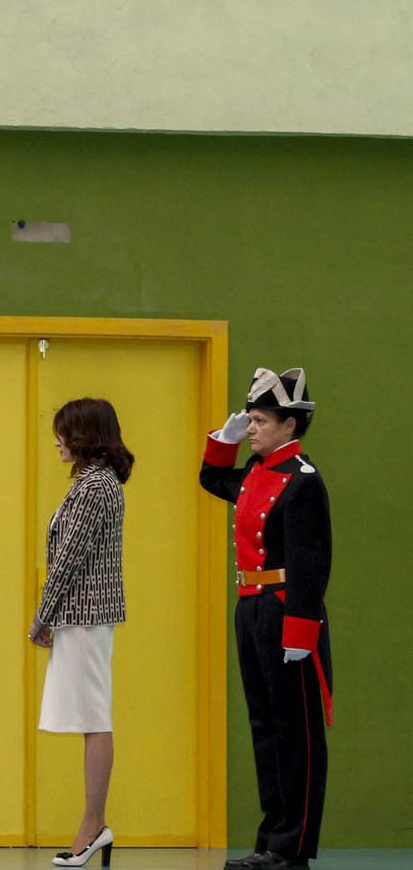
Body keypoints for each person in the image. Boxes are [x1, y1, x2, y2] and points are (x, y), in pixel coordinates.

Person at [201, 368, 331, 870]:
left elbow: (312, 562)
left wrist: (301, 629)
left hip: (285, 610)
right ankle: (270, 840)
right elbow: (213, 478)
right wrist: (222, 441)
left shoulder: (303, 482)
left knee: (295, 730)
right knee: (266, 725)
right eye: (249, 420)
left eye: (258, 420)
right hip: (252, 608)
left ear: (289, 426)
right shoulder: (256, 472)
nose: (250, 428)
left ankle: (291, 847)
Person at [28, 397, 134, 869]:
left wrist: (42, 616)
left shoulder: (94, 488)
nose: (57, 442)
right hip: (83, 615)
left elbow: (69, 559)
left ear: (86, 437)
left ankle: (93, 827)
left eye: (64, 433)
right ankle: (94, 826)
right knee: (91, 719)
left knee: (94, 719)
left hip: (85, 615)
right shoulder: (95, 484)